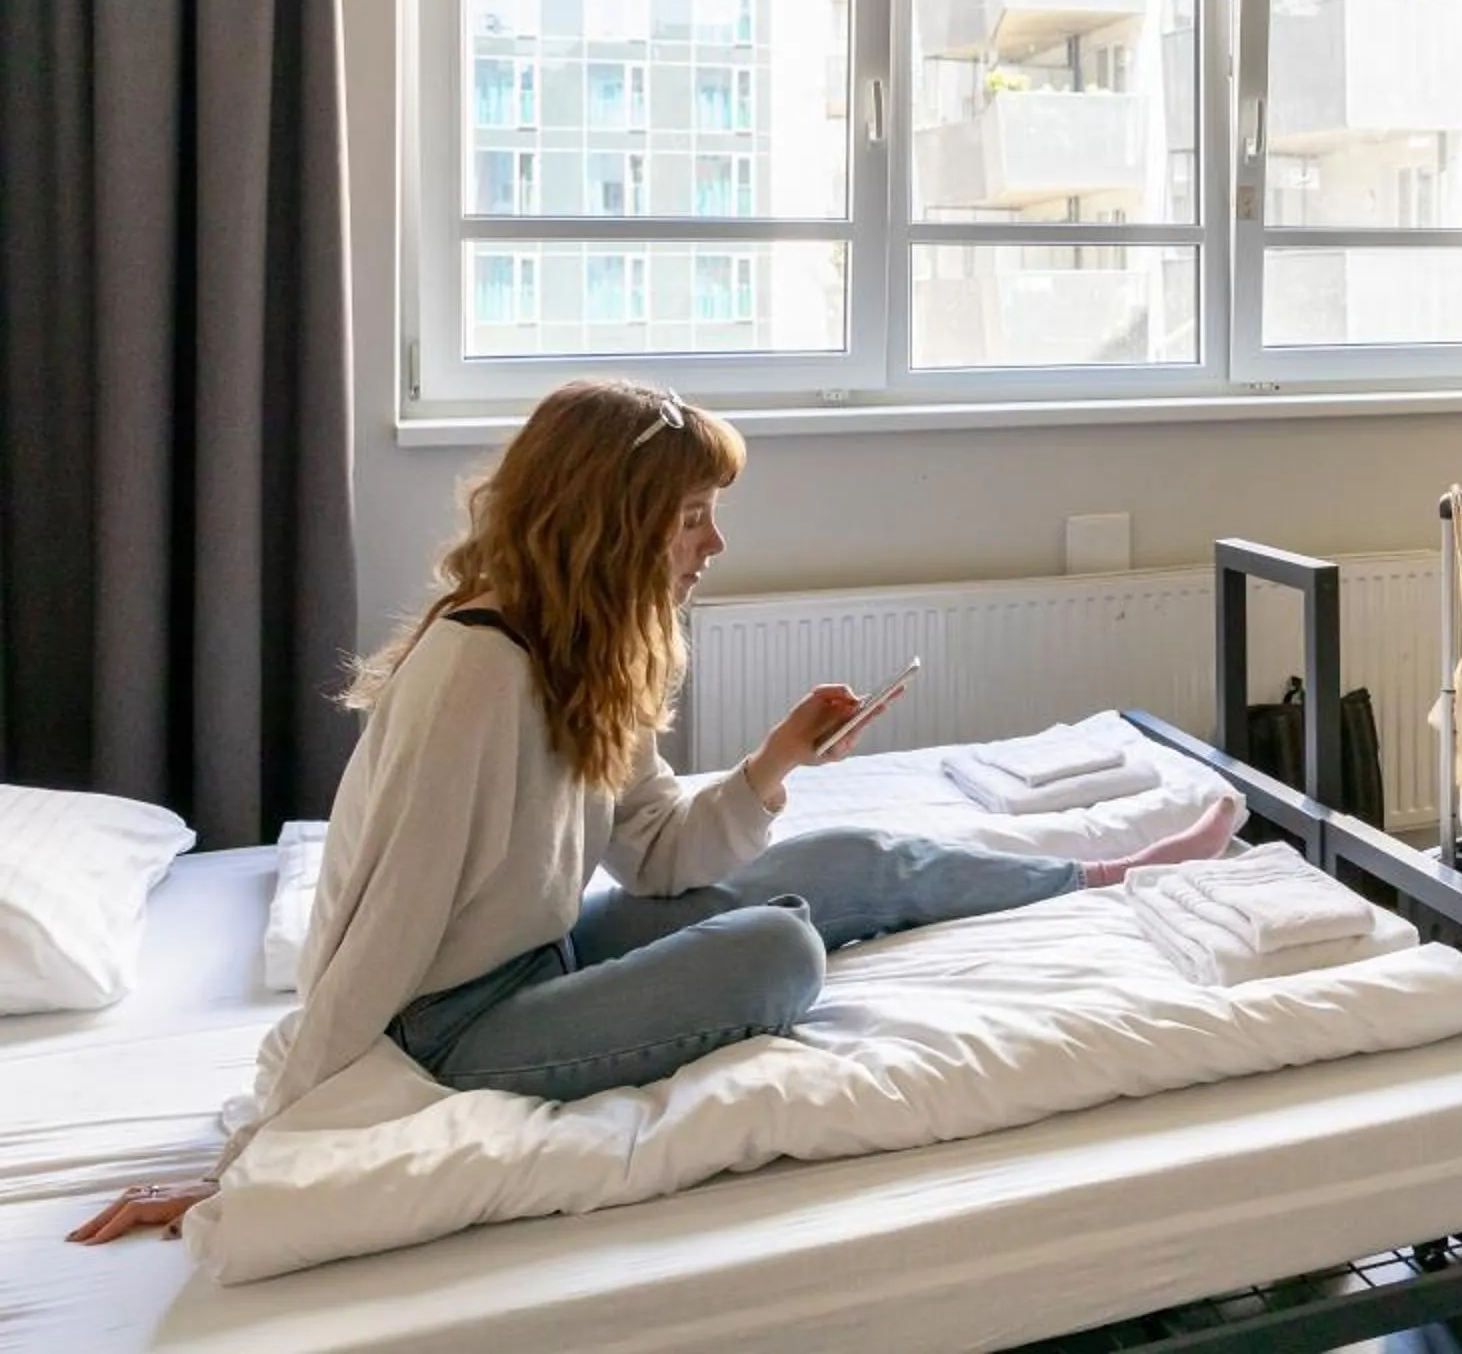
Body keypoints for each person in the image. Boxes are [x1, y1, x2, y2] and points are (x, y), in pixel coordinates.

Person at [71, 379, 1242, 1246]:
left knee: (844, 855)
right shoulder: (475, 669)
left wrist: (775, 763)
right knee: (778, 946)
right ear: (609, 519)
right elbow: (383, 924)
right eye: (692, 516)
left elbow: (655, 854)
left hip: (547, 949)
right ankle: (1074, 879)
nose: (714, 544)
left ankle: (1100, 874)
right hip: (454, 1017)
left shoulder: (599, 643)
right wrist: (251, 1150)